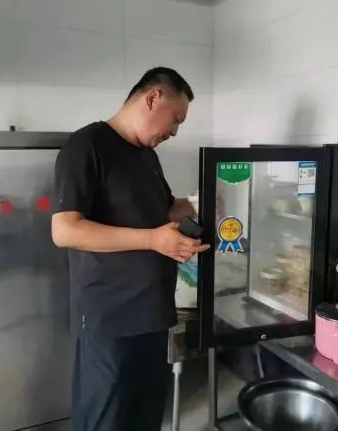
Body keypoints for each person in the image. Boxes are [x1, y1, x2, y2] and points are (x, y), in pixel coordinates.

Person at [51, 67, 210, 431]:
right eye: (176, 119)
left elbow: (163, 212)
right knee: (106, 419)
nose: (175, 131)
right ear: (153, 98)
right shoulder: (87, 146)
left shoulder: (147, 155)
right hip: (110, 320)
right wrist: (153, 240)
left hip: (152, 314)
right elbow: (65, 230)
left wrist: (200, 201)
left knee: (145, 416)